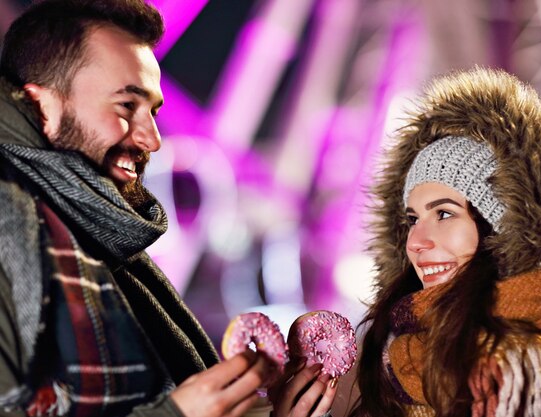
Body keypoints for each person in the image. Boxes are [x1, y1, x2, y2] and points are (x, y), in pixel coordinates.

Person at [0, 1, 336, 416]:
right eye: (126, 106)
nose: (153, 139)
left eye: (154, 112)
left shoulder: (110, 244)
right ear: (41, 106)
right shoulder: (12, 229)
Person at [347, 67, 541, 417]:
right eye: (412, 219)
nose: (415, 242)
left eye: (445, 214)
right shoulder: (399, 367)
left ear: (507, 227)